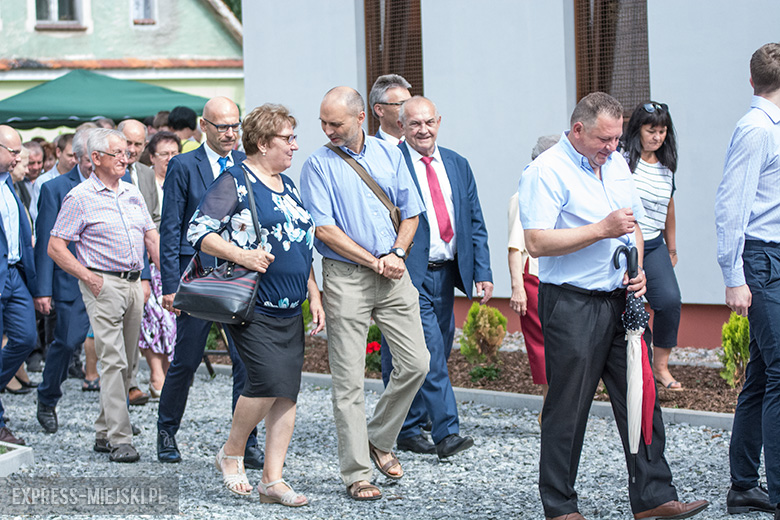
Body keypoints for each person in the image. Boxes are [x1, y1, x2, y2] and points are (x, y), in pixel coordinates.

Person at [518, 92, 708, 520]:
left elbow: (634, 224)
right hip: (572, 303)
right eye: (605, 139)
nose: (613, 146)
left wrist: (637, 266)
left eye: (617, 138)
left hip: (622, 301)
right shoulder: (544, 171)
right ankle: (561, 507)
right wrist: (601, 230)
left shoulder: (619, 163)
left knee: (641, 397)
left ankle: (654, 498)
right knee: (568, 407)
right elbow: (537, 242)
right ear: (578, 129)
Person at [189, 103, 324, 506]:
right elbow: (199, 231)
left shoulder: (288, 184)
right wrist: (242, 255)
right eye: (288, 138)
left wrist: (313, 294)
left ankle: (272, 480)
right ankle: (231, 451)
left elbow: (301, 243)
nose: (295, 146)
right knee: (266, 382)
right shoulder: (236, 180)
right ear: (263, 143)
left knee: (286, 393)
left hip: (290, 305)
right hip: (254, 306)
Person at [299, 86, 429, 501]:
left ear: (360, 119)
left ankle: (378, 436)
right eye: (323, 122)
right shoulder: (317, 165)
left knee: (417, 363)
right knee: (349, 381)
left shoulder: (391, 154)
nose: (327, 130)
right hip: (346, 276)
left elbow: (411, 212)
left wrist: (397, 252)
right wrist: (375, 261)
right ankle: (356, 473)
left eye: (334, 123)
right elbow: (324, 228)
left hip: (393, 269)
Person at [379, 95, 491, 458]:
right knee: (430, 354)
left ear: (438, 122)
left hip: (447, 274)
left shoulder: (457, 164)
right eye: (414, 124)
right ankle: (447, 433)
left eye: (428, 122)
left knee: (429, 347)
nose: (423, 130)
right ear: (401, 127)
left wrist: (483, 272)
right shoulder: (391, 164)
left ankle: (408, 428)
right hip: (409, 274)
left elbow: (474, 220)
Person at [158, 96, 263, 468]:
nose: (231, 133)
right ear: (205, 126)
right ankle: (167, 430)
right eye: (223, 127)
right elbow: (171, 228)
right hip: (198, 276)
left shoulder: (246, 164)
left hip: (239, 277)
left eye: (236, 125)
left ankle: (246, 442)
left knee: (245, 363)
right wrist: (170, 286)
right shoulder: (184, 166)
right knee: (185, 361)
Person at [48, 128, 159, 463]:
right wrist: (87, 276)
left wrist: (160, 279)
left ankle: (103, 430)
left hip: (134, 283)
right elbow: (56, 246)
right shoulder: (79, 197)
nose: (126, 158)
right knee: (112, 360)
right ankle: (120, 438)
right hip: (103, 284)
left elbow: (151, 238)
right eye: (118, 154)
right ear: (96, 158)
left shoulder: (131, 193)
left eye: (126, 152)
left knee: (128, 361)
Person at [715, 42, 780, 517]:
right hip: (759, 262)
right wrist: (733, 275)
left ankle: (743, 485)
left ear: (751, 80)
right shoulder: (757, 130)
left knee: (761, 374)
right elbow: (730, 204)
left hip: (771, 259)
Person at [33, 128, 94, 434]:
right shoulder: (55, 189)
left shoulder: (120, 186)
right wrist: (42, 290)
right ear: (78, 158)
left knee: (115, 351)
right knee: (67, 342)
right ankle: (47, 397)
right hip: (70, 280)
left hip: (109, 281)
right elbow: (45, 239)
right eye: (91, 158)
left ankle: (114, 419)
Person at [623, 102, 684, 391]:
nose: (657, 137)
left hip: (655, 245)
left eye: (662, 131)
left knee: (670, 302)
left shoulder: (667, 166)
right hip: (626, 246)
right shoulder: (624, 162)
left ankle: (660, 367)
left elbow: (669, 208)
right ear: (638, 130)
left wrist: (671, 249)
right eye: (651, 130)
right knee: (625, 308)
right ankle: (630, 368)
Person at [507, 134, 559, 420]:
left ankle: (555, 409)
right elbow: (516, 247)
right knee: (543, 346)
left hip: (560, 277)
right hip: (535, 278)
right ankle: (548, 411)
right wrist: (517, 288)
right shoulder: (522, 195)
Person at [0, 125, 40, 445]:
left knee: (26, 338)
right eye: (13, 151)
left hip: (15, 275)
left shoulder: (12, 185)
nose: (19, 157)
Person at [119, 118, 161, 407]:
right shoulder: (108, 172)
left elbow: (154, 217)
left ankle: (130, 382)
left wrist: (152, 264)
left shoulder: (146, 173)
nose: (132, 149)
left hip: (143, 261)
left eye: (138, 144)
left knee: (135, 326)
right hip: (112, 263)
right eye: (127, 143)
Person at [138, 131, 180, 398]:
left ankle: (165, 372)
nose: (169, 159)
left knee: (172, 318)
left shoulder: (182, 179)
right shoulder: (145, 182)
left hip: (176, 258)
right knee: (153, 316)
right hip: (151, 258)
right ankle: (156, 374)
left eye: (174, 153)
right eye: (164, 154)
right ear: (152, 157)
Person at [30, 133, 77, 224]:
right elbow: (36, 215)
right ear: (58, 152)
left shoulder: (84, 179)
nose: (74, 160)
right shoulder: (44, 181)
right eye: (70, 156)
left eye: (76, 156)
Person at [368, 74, 412, 143]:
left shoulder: (422, 145)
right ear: (379, 110)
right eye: (401, 104)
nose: (409, 110)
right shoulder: (369, 149)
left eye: (410, 103)